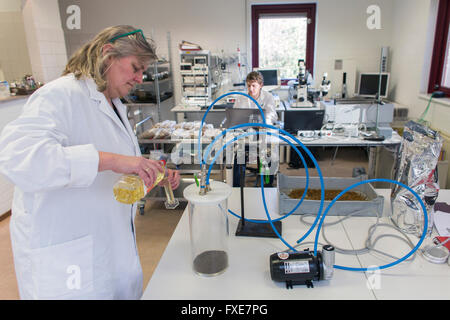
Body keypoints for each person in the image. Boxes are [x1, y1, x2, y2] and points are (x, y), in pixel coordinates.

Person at [0, 25, 180, 300]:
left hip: (112, 247)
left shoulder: (114, 104)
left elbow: (118, 165)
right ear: (108, 54)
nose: (139, 78)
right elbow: (18, 157)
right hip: (70, 261)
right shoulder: (61, 94)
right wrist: (111, 160)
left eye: (143, 71)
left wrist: (151, 171)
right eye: (135, 67)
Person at [232, 71, 278, 187]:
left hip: (263, 132)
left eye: (254, 86)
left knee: (268, 155)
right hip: (246, 133)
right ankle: (237, 188)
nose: (251, 89)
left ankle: (267, 187)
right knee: (239, 156)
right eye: (248, 86)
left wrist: (263, 123)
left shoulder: (268, 97)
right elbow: (235, 115)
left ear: (261, 85)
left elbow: (272, 115)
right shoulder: (241, 98)